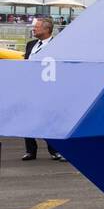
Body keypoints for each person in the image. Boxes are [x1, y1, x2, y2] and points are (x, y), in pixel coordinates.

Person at [22, 17, 64, 162]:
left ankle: (55, 150)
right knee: (27, 118)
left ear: (47, 29)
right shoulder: (30, 44)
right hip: (30, 87)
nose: (34, 29)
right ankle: (30, 150)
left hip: (48, 88)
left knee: (49, 120)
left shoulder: (58, 45)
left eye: (37, 27)